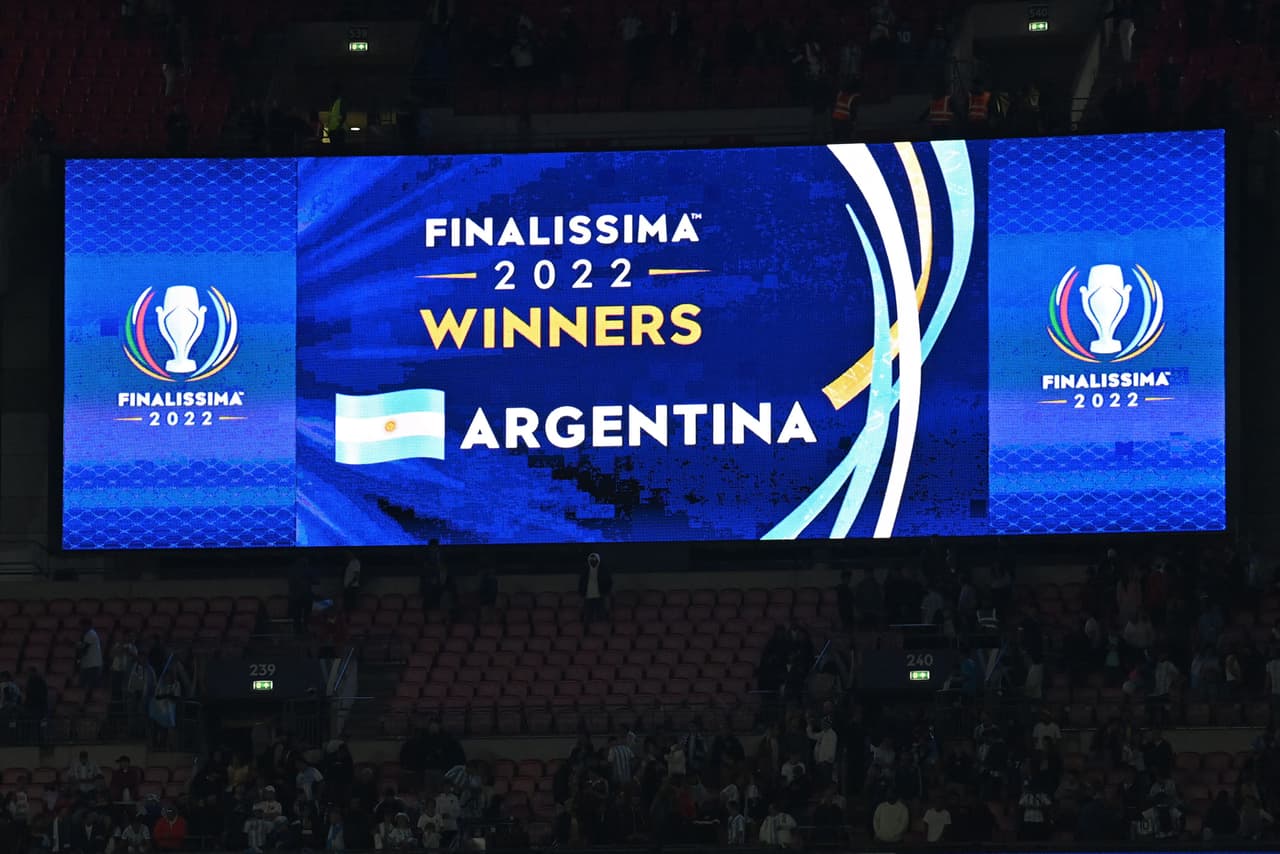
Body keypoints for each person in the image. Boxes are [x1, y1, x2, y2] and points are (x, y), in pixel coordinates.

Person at [578, 552, 612, 623]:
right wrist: (582, 594)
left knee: (601, 617)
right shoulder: (585, 570)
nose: (593, 561)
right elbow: (581, 583)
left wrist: (605, 592)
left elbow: (609, 582)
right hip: (588, 597)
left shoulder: (603, 570)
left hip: (600, 597)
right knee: (588, 617)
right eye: (591, 559)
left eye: (595, 559)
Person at [78, 618, 103, 689]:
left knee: (92, 688)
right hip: (88, 664)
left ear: (87, 625)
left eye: (82, 626)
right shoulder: (87, 634)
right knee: (82, 686)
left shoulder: (90, 634)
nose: (81, 628)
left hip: (93, 665)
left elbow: (84, 649)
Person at [325, 84, 346, 148]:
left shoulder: (340, 102)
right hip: (333, 131)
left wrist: (338, 128)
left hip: (338, 131)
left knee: (337, 149)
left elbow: (344, 116)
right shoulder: (333, 104)